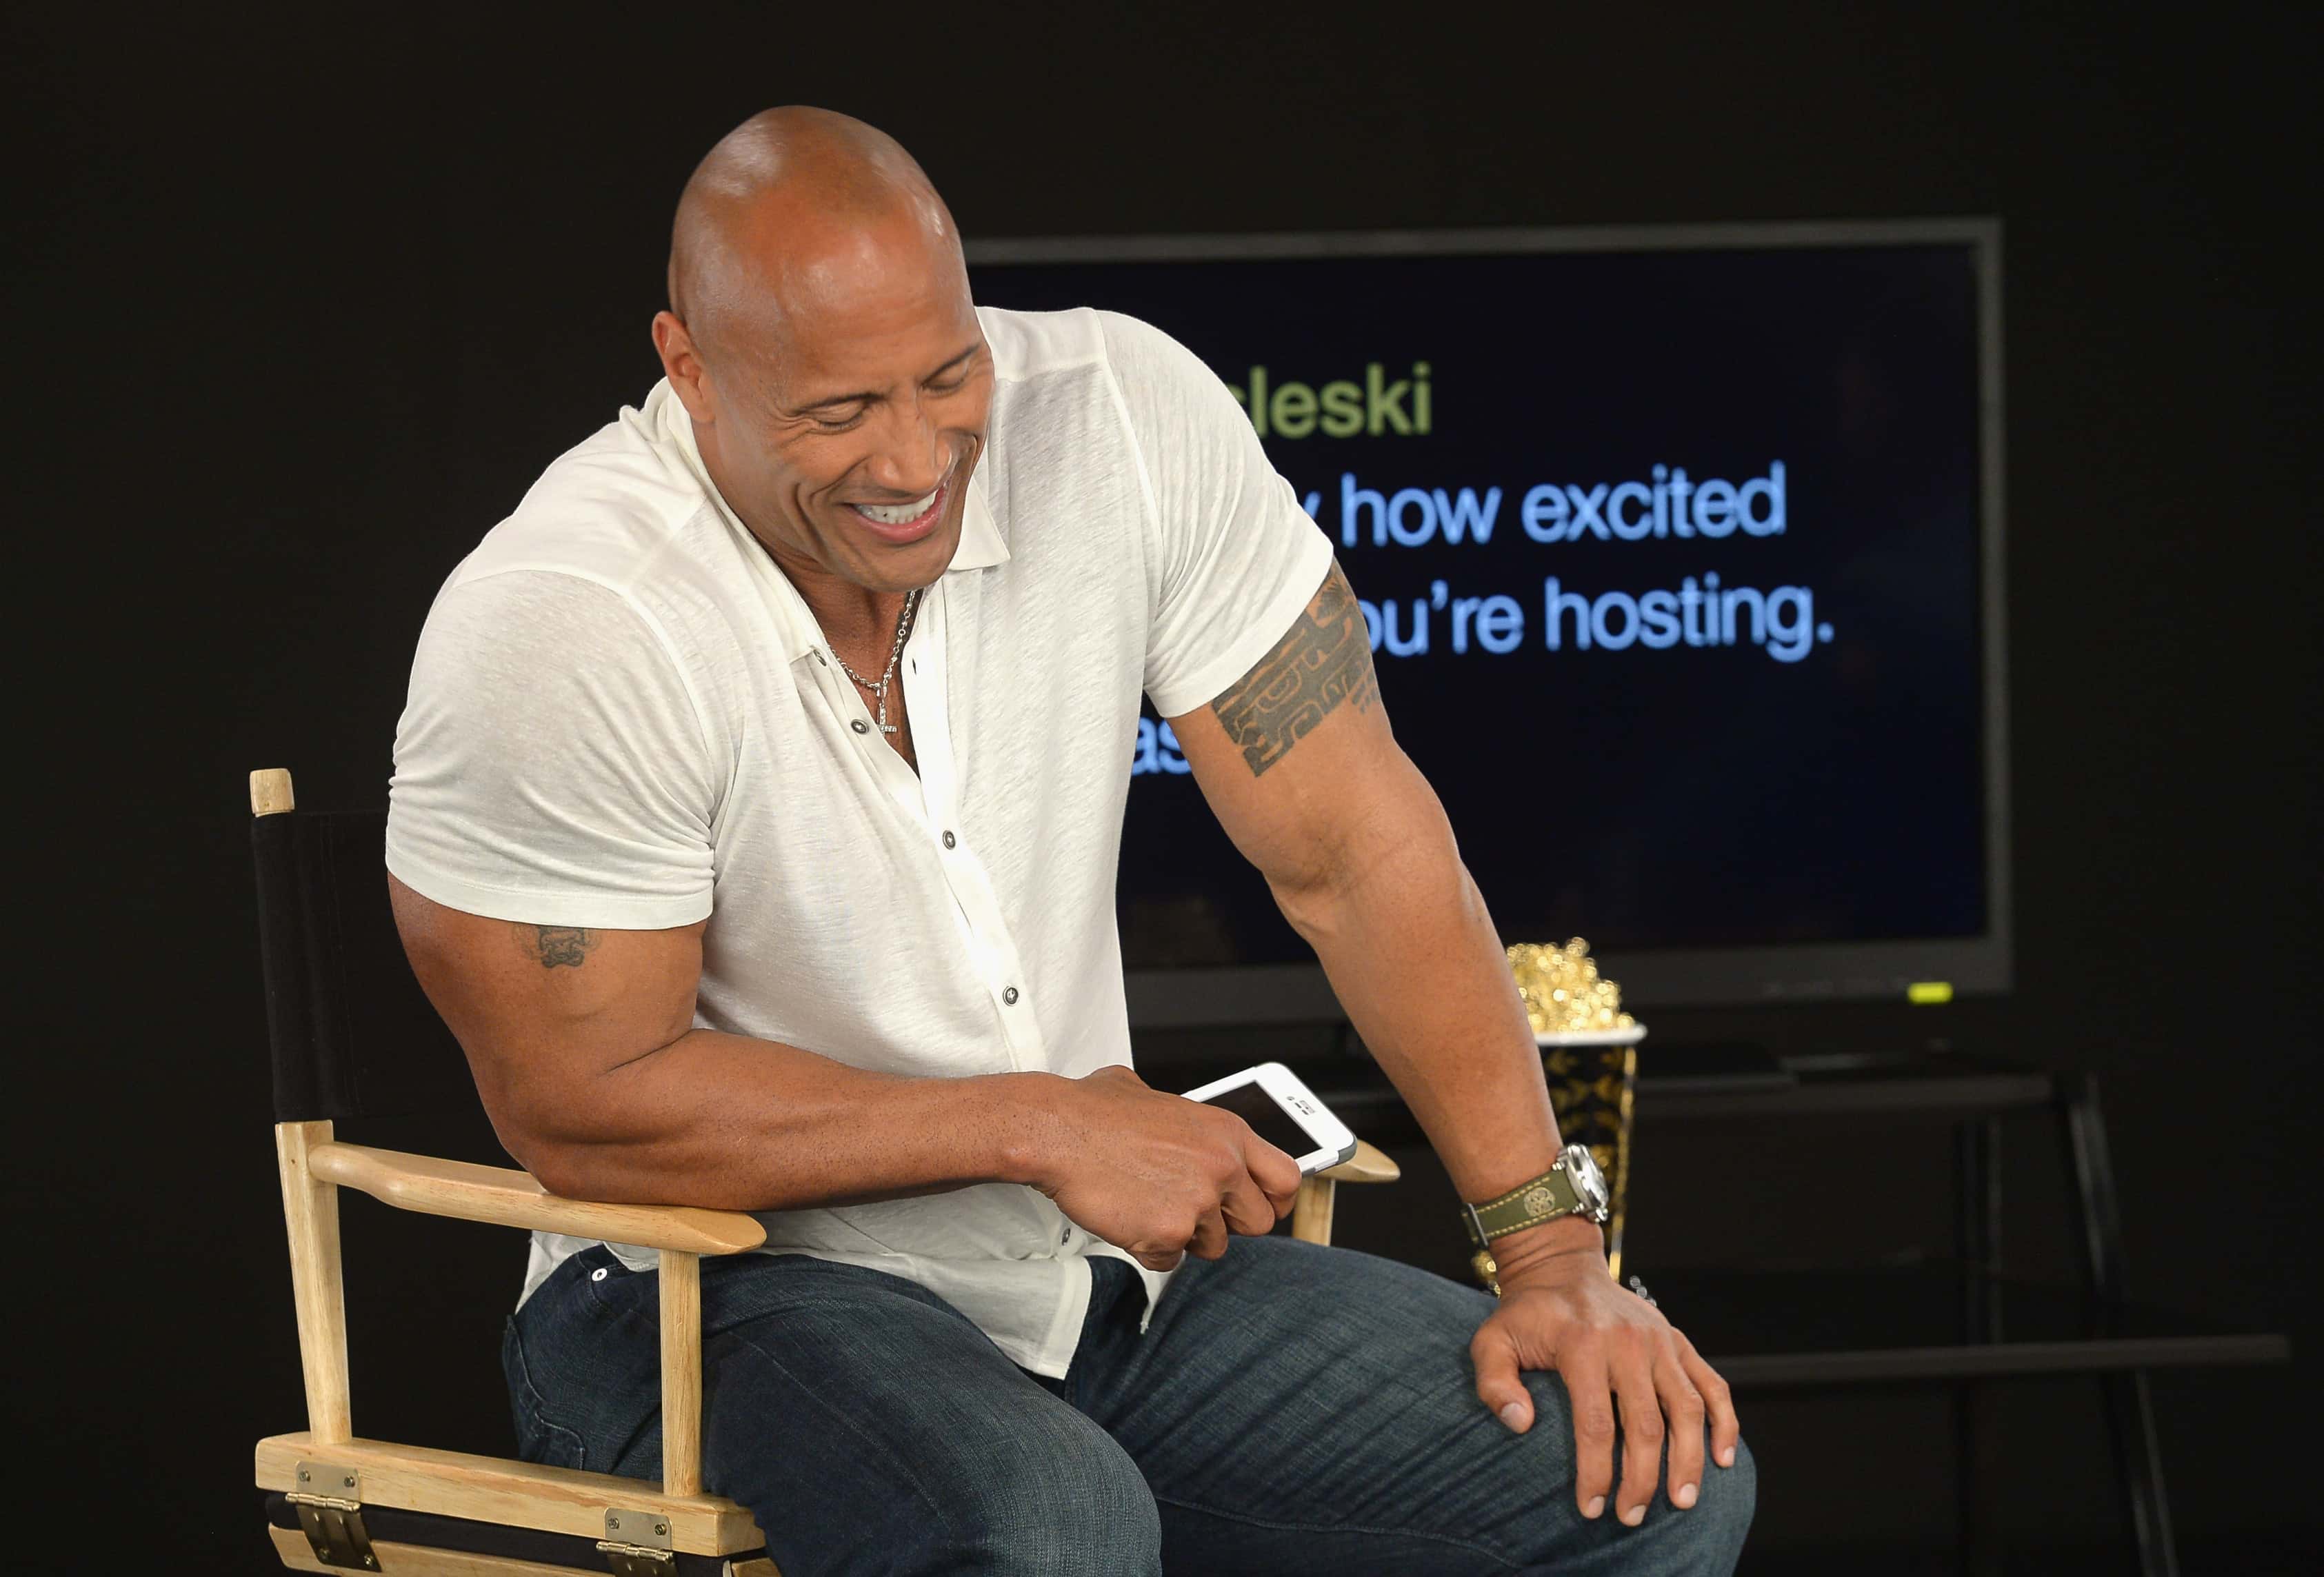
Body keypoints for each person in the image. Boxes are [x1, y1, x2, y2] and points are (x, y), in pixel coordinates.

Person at [385, 106, 1754, 1576]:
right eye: (838, 413)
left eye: (947, 374)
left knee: (1635, 1477)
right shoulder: (570, 616)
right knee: (1048, 1531)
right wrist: (1040, 1123)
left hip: (1088, 1279)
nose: (915, 458)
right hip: (705, 1291)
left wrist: (1550, 1255)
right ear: (689, 368)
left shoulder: (1116, 416)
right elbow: (585, 1103)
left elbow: (1352, 845)